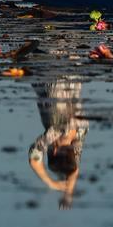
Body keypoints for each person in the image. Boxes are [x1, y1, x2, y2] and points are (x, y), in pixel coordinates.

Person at [28, 75, 89, 209]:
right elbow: (33, 159)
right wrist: (50, 183)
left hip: (74, 69)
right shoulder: (55, 133)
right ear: (53, 150)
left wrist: (68, 195)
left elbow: (74, 169)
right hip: (48, 70)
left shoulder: (80, 131)